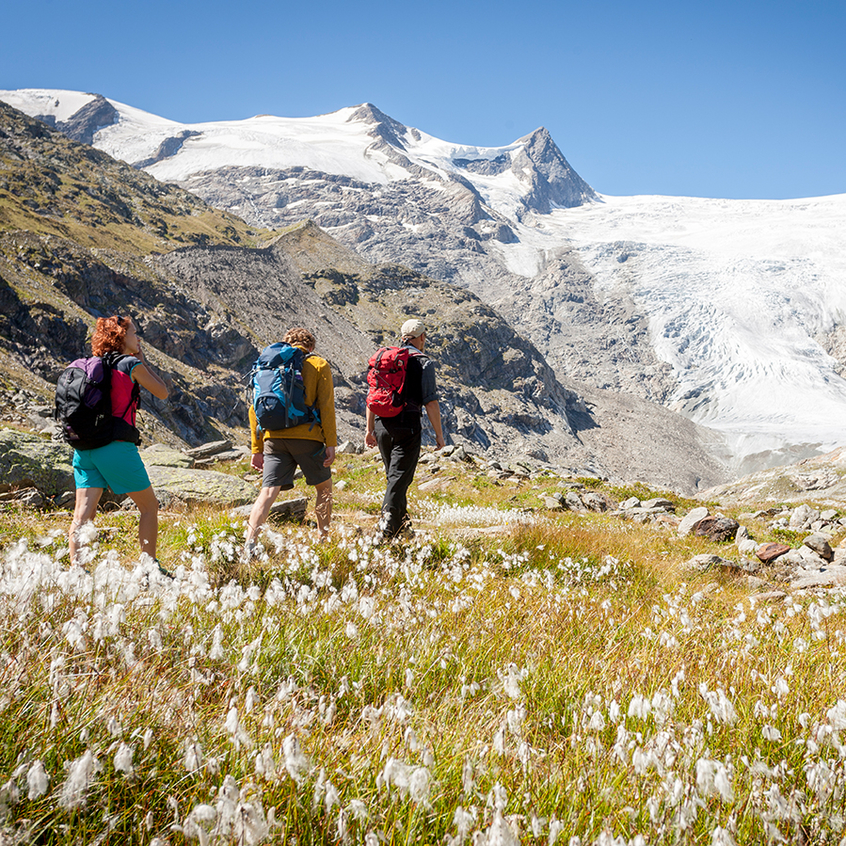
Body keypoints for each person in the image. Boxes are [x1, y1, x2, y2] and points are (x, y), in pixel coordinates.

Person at [69, 315, 170, 569]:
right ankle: (149, 569)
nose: (138, 338)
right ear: (122, 337)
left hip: (84, 448)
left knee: (82, 514)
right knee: (149, 507)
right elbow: (162, 391)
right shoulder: (129, 365)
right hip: (115, 446)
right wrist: (142, 361)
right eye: (135, 334)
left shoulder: (90, 365)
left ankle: (75, 572)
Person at [245, 327, 337, 554]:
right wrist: (331, 444)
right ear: (311, 346)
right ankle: (323, 541)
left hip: (273, 438)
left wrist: (256, 449)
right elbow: (326, 406)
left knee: (267, 492)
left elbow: (253, 410)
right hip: (307, 438)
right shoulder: (318, 365)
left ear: (286, 343)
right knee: (324, 489)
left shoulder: (269, 365)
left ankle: (249, 541)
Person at [365, 318, 445, 541]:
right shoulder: (423, 362)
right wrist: (439, 435)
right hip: (406, 425)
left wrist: (369, 429)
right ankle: (385, 530)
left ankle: (403, 528)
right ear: (422, 337)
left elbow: (372, 397)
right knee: (399, 479)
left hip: (382, 424)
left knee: (395, 478)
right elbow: (431, 402)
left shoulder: (386, 360)